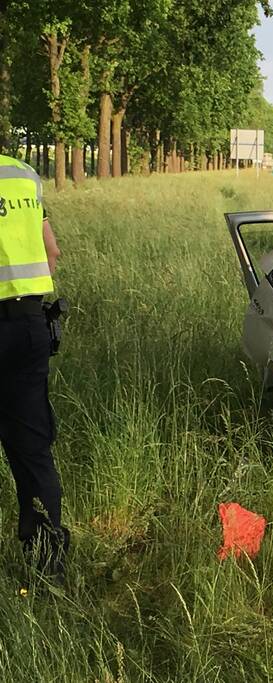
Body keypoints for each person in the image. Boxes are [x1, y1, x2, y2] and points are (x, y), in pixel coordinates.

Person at [0, 154, 67, 583]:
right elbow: (52, 251)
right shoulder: (23, 174)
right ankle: (48, 562)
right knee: (32, 449)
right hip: (28, 328)